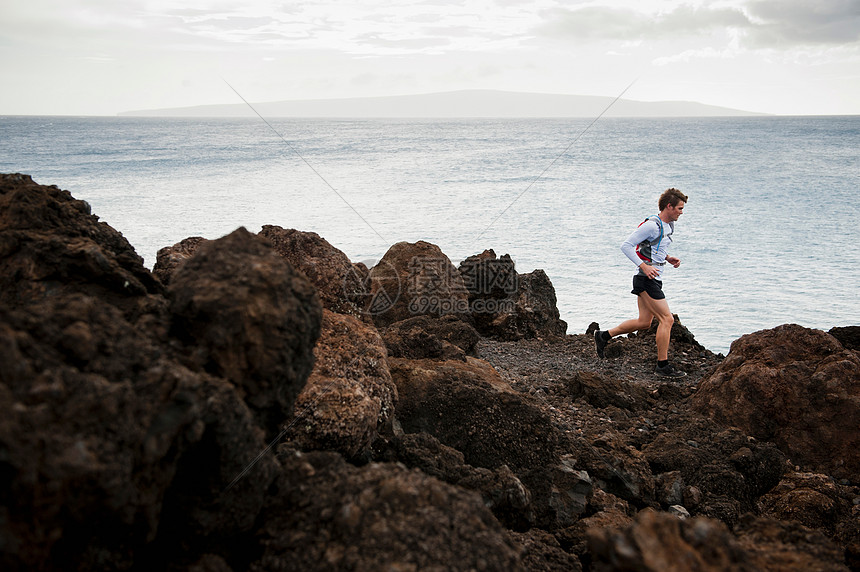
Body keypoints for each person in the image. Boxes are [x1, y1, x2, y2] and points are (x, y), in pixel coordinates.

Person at [594, 188, 688, 377]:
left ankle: (603, 336)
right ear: (668, 206)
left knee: (644, 322)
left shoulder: (667, 226)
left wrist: (667, 258)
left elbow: (653, 247)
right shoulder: (652, 225)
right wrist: (644, 266)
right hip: (646, 279)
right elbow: (626, 246)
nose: (681, 212)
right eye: (679, 208)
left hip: (654, 278)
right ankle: (662, 366)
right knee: (667, 320)